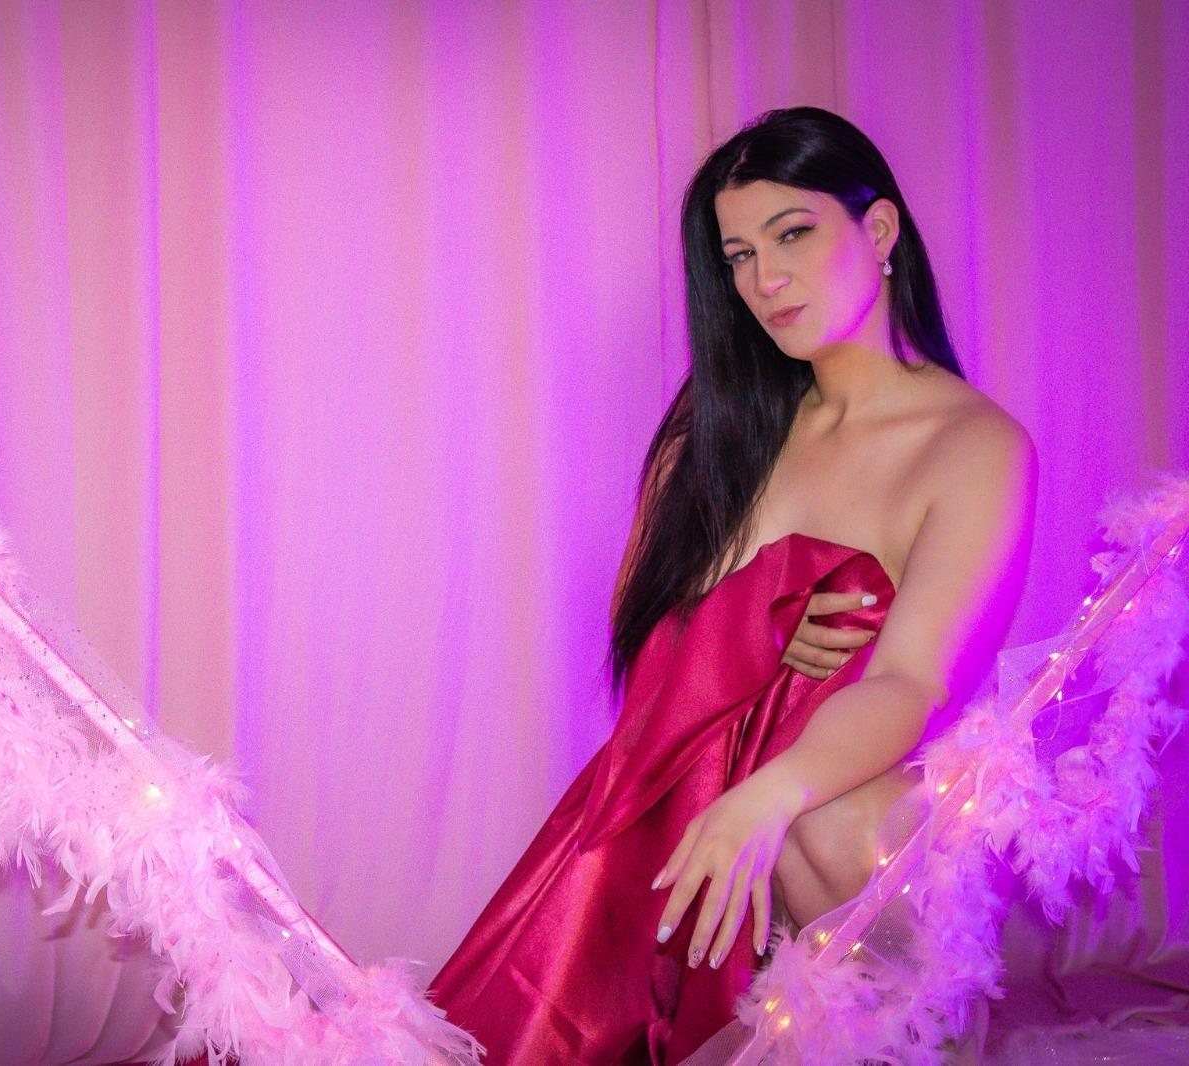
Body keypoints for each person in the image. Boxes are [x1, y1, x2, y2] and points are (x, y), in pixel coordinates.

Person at [424, 106, 1037, 1065]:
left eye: (792, 234)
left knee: (828, 823)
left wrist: (773, 793)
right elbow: (653, 663)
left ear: (878, 230)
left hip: (853, 842)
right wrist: (757, 623)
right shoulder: (722, 435)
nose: (764, 281)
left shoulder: (974, 448)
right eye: (739, 256)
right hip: (696, 823)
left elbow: (914, 680)